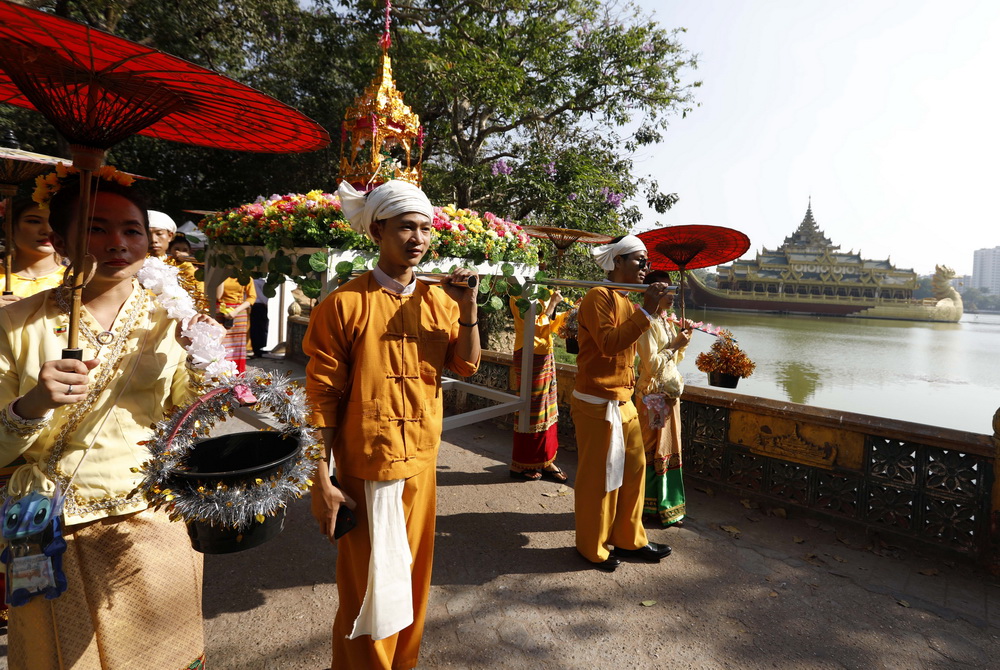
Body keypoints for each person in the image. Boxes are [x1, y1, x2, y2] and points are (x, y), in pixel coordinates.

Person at [0, 178, 214, 668]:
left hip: (154, 520)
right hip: (53, 529)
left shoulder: (171, 318)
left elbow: (192, 422)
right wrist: (32, 404)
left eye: (132, 230)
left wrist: (202, 362)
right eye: (95, 228)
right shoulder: (15, 325)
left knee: (164, 657)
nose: (118, 243)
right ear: (59, 239)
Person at [304, 179, 480, 670]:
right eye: (406, 227)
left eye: (425, 229)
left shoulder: (440, 301)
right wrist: (322, 478)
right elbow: (321, 398)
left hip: (421, 463)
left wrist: (468, 310)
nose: (418, 239)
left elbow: (465, 366)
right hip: (367, 467)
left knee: (411, 580)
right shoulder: (345, 303)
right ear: (378, 231)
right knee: (368, 593)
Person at [570, 235, 675, 572]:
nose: (646, 267)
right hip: (597, 401)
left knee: (633, 472)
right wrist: (645, 308)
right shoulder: (597, 296)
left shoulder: (629, 303)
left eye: (646, 262)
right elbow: (609, 345)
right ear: (617, 262)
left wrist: (652, 312)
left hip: (625, 400)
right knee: (599, 479)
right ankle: (592, 546)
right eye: (639, 260)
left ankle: (630, 539)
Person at [635, 270, 692, 527]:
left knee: (669, 449)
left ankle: (667, 505)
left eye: (672, 291)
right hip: (652, 396)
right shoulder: (645, 323)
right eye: (664, 291)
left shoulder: (667, 322)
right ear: (651, 294)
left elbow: (673, 362)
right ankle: (647, 505)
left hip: (669, 396)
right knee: (650, 449)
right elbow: (651, 365)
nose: (671, 296)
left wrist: (683, 342)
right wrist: (673, 346)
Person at [508, 289, 569, 482]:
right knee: (531, 410)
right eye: (538, 259)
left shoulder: (543, 291)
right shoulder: (517, 293)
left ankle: (545, 460)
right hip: (528, 354)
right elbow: (533, 327)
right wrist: (552, 304)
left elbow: (550, 325)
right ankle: (520, 463)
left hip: (545, 354)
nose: (541, 265)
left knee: (548, 410)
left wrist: (571, 311)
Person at [0, 198, 63, 306]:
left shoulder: (77, 280)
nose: (47, 230)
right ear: (9, 228)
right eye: (34, 221)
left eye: (53, 222)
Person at [150, 210, 209, 314]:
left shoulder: (182, 266)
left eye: (159, 234)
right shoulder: (130, 266)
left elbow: (199, 293)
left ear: (170, 236)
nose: (153, 239)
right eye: (147, 234)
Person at [215, 275, 255, 374]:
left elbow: (252, 297)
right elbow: (217, 296)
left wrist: (236, 311)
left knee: (237, 346)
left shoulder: (246, 277)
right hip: (221, 311)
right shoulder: (222, 274)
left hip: (239, 311)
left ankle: (237, 375)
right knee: (221, 343)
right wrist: (221, 277)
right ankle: (220, 374)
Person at [249, 277, 270, 358]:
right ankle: (258, 349)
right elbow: (263, 297)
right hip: (259, 305)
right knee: (260, 326)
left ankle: (257, 349)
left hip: (255, 305)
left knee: (256, 327)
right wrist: (266, 302)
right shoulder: (258, 282)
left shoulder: (254, 281)